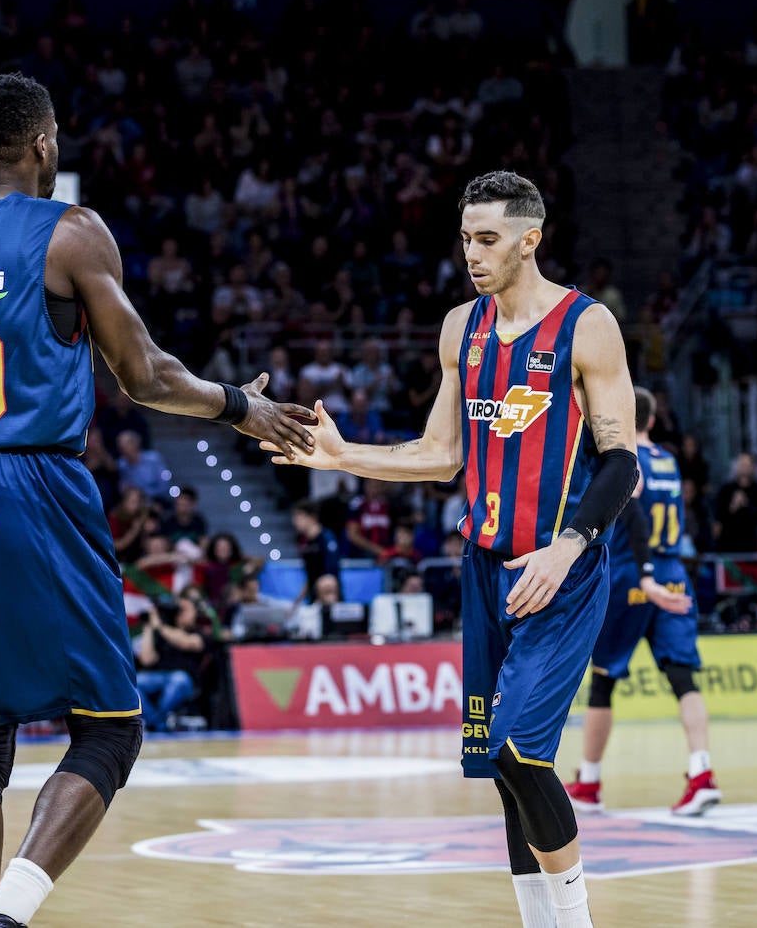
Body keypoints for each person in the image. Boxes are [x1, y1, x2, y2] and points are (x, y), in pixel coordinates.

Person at [0, 73, 314, 928]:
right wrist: (243, 407)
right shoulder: (70, 233)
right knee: (109, 727)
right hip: (29, 482)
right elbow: (145, 377)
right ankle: (5, 918)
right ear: (43, 145)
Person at [263, 171, 640, 928]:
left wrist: (567, 547)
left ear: (530, 240)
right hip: (486, 569)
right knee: (501, 773)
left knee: (518, 751)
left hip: (559, 568)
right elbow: (440, 454)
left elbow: (622, 461)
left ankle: (576, 919)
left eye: (489, 238)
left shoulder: (586, 324)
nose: (472, 252)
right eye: (466, 236)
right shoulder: (459, 329)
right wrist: (343, 457)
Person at [566, 387, 716, 816]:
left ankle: (590, 781)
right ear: (652, 421)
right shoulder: (669, 461)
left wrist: (644, 574)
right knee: (683, 677)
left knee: (604, 679)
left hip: (635, 574)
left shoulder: (628, 461)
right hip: (674, 574)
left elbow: (630, 516)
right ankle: (701, 771)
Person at [135, 598, 209, 732]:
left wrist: (160, 627)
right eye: (178, 610)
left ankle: (155, 724)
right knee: (136, 682)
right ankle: (158, 722)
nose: (180, 613)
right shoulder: (160, 632)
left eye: (184, 610)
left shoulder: (198, 632)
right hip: (159, 677)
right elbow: (146, 660)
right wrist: (148, 627)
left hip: (186, 680)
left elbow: (188, 643)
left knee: (178, 679)